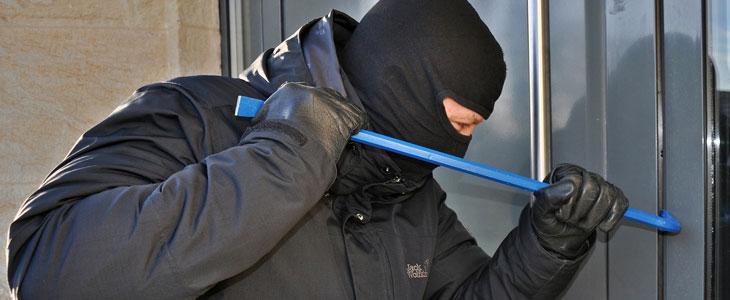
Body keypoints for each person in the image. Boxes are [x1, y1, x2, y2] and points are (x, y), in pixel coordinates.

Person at [6, 0, 629, 299]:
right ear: (401, 83)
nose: (460, 147)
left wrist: (549, 244)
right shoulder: (194, 115)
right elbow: (47, 273)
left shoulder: (409, 191)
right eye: (460, 123)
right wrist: (288, 156)